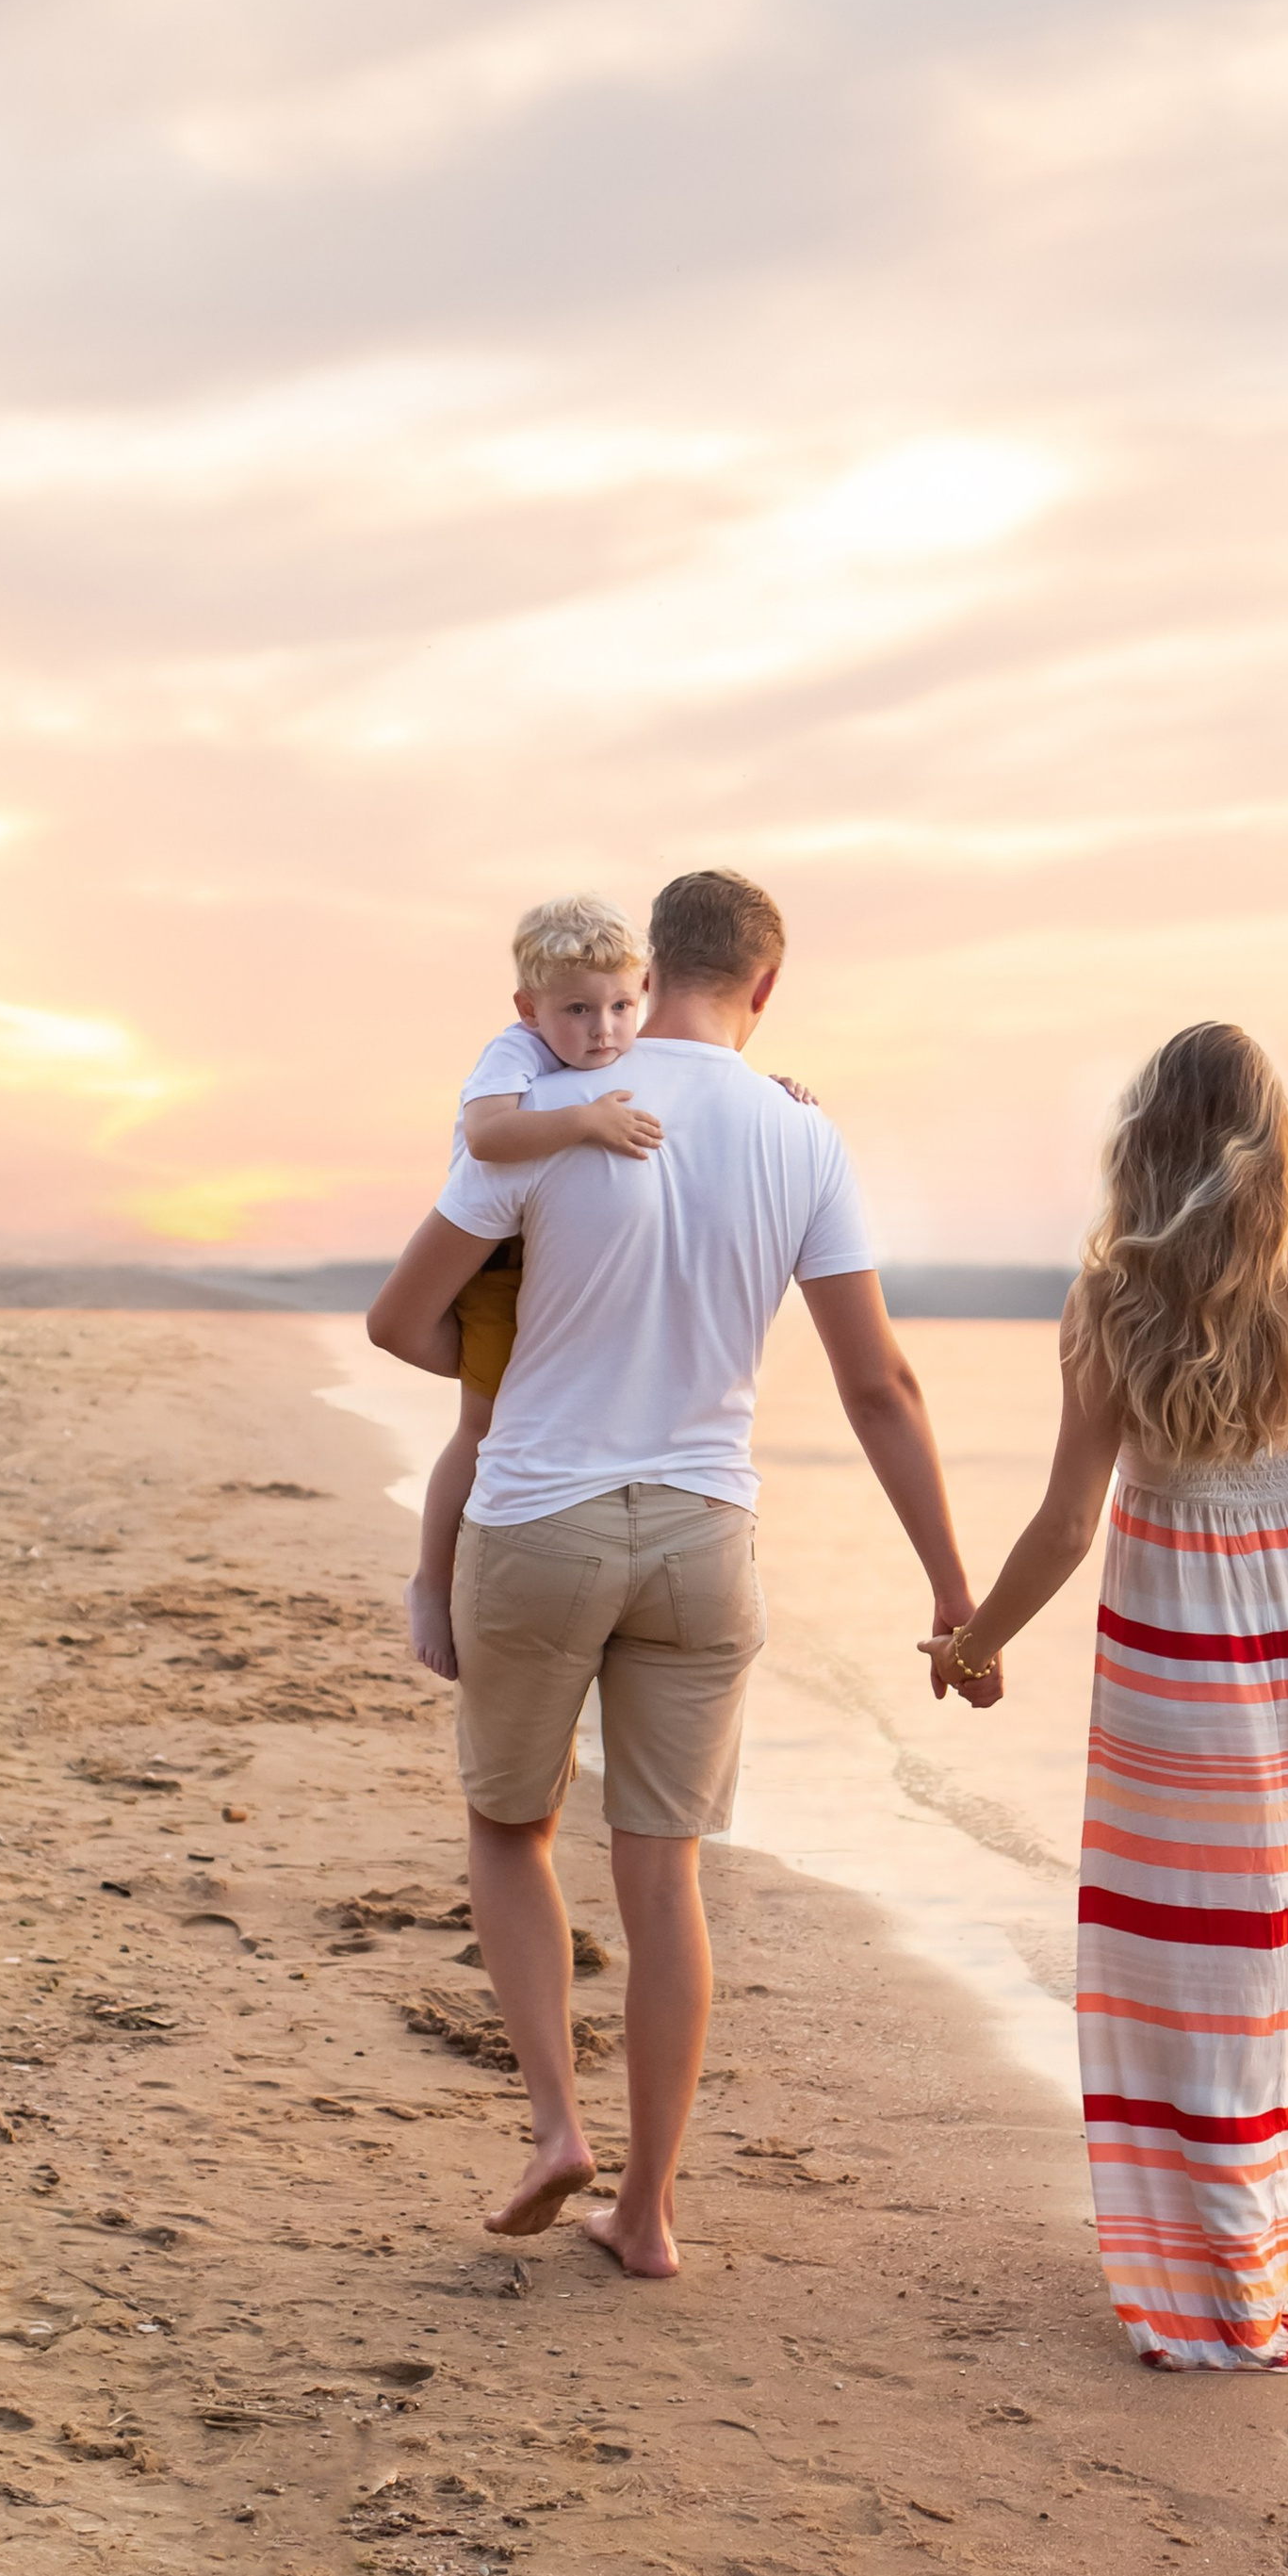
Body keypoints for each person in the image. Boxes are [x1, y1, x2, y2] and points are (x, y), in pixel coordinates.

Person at [366, 867, 979, 2278]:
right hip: (706, 1536)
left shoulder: (557, 1100)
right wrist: (954, 1594)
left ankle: (555, 2131)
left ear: (654, 967)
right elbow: (880, 1387)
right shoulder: (803, 1134)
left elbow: (401, 1322)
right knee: (665, 1874)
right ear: (767, 986)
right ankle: (646, 2216)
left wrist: (530, 1361)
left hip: (541, 1520)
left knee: (512, 1828)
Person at [923, 1021, 1288, 2373]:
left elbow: (1067, 1523)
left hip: (1171, 1655)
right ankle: (1252, 2260)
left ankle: (1198, 2274)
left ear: (1145, 1145)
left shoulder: (1108, 1302)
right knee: (1276, 1956)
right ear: (1274, 1149)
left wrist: (973, 1644)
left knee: (1174, 1955)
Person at [402, 894, 667, 1682]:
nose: (603, 1030)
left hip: (563, 1252)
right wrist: (584, 1122)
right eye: (577, 1010)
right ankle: (431, 1581)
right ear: (530, 1008)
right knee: (481, 1425)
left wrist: (780, 1086)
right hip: (494, 1260)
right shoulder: (513, 1052)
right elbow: (487, 1136)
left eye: (621, 1007)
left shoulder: (630, 1052)